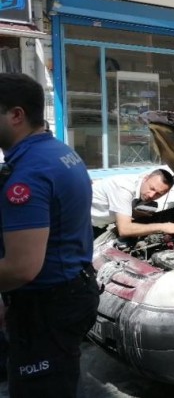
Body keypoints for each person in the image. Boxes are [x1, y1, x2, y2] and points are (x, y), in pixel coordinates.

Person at [0, 73, 98, 397]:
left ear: (16, 115)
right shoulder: (58, 152)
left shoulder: (28, 175)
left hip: (47, 305)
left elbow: (21, 268)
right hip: (70, 291)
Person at [91, 169, 174, 238]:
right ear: (145, 178)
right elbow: (124, 230)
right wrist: (163, 227)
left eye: (158, 194)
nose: (151, 195)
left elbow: (121, 205)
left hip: (98, 225)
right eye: (152, 188)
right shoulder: (124, 188)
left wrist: (137, 214)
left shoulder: (142, 189)